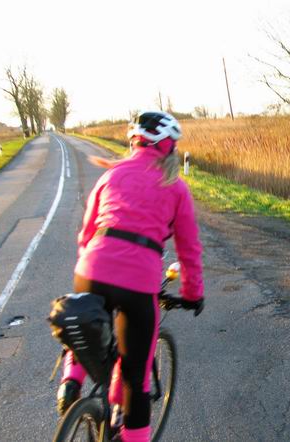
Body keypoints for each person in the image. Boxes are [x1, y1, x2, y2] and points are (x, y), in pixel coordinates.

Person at [57, 111, 204, 442]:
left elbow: (87, 232)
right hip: (138, 283)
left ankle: (71, 381)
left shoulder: (111, 175)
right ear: (168, 148)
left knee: (88, 319)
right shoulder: (176, 187)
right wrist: (193, 293)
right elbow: (189, 250)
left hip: (91, 269)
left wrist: (90, 270)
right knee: (136, 383)